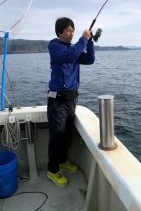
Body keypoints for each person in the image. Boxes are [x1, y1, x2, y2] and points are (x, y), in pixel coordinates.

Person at [47, 17, 95, 186]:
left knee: (67, 134)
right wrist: (84, 39)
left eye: (73, 30)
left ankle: (62, 161)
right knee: (57, 136)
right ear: (59, 32)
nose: (71, 33)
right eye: (68, 30)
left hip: (71, 100)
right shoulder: (55, 46)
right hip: (57, 101)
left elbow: (89, 59)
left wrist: (90, 42)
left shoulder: (73, 50)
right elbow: (70, 56)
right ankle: (52, 170)